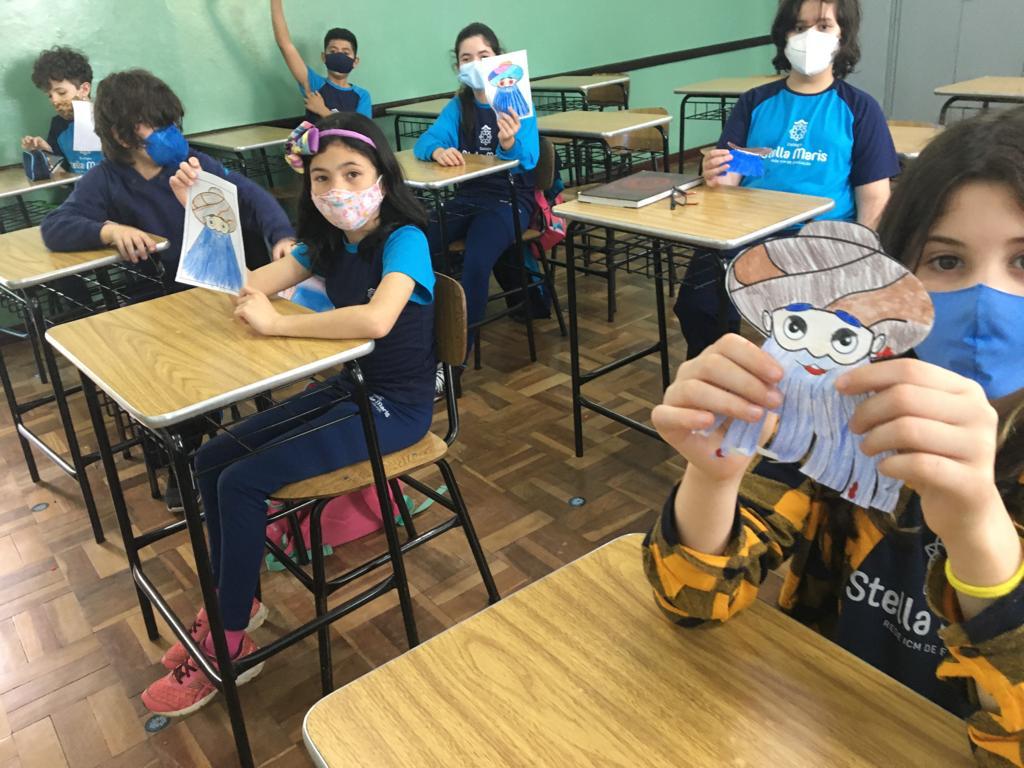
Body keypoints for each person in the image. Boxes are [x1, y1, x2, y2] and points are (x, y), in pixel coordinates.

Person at [644, 107, 1024, 765]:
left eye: (1022, 262)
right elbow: (692, 600)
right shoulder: (842, 406)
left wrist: (976, 527)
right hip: (824, 725)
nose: (986, 296)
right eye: (945, 260)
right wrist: (713, 474)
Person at [140, 112, 437, 716]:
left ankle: (228, 644)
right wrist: (206, 218)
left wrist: (277, 324)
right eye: (322, 178)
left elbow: (378, 319)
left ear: (382, 176)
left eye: (352, 174)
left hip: (397, 407)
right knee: (211, 459)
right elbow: (245, 284)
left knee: (243, 481)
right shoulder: (325, 242)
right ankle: (238, 603)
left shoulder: (405, 238)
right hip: (351, 390)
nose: (338, 190)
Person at [675, 0, 899, 360]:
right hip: (748, 234)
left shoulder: (859, 108)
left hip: (822, 239)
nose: (809, 36)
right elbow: (732, 177)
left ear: (843, 36)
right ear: (784, 36)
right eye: (799, 26)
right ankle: (718, 375)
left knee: (810, 331)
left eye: (823, 26)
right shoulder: (756, 102)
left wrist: (858, 257)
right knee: (699, 304)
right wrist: (715, 174)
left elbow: (874, 199)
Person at [413, 22, 538, 343]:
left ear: (498, 58)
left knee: (477, 262)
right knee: (419, 244)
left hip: (509, 200)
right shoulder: (459, 106)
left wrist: (509, 144)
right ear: (458, 67)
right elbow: (425, 142)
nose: (475, 64)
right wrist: (438, 150)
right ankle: (426, 331)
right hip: (468, 198)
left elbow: (530, 159)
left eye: (483, 56)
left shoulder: (515, 101)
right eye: (466, 59)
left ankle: (459, 351)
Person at [270, 0, 371, 123]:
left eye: (345, 53)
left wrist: (323, 111)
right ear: (324, 57)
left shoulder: (362, 96)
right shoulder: (314, 84)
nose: (339, 56)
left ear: (355, 61)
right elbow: (285, 44)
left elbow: (361, 130)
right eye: (333, 51)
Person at [21, 46, 103, 175]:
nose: (54, 100)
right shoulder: (58, 125)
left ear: (84, 89)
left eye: (61, 92)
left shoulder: (109, 119)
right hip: (80, 187)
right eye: (50, 95)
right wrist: (46, 153)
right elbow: (63, 177)